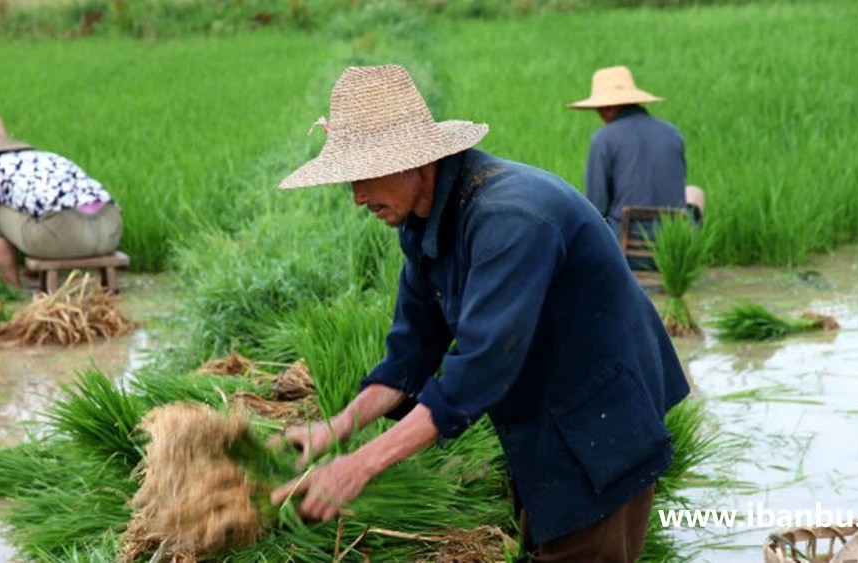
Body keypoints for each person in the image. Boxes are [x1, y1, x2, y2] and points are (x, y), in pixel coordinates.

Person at [270, 65, 690, 562]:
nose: (358, 197)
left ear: (414, 162)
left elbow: (477, 372)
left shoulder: (509, 219)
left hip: (599, 425)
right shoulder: (425, 222)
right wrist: (334, 430)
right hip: (541, 420)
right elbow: (411, 352)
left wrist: (358, 465)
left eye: (364, 176)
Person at [0, 114, 122, 288]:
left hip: (70, 237)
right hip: (110, 231)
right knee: (33, 209)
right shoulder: (45, 158)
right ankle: (34, 273)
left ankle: (13, 288)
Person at [568, 66, 704, 265]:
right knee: (695, 192)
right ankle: (682, 258)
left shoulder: (604, 138)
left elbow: (597, 207)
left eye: (598, 110)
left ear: (609, 108)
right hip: (672, 248)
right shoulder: (673, 133)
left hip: (625, 249)